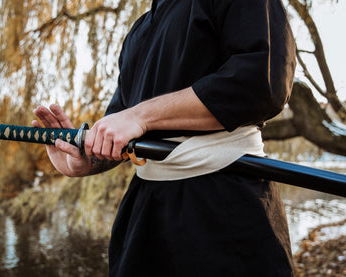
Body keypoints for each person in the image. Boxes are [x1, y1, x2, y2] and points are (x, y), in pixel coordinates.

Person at [34, 0, 297, 275]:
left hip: (223, 207)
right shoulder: (139, 31)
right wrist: (89, 158)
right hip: (145, 216)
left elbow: (260, 83)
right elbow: (122, 123)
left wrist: (141, 116)